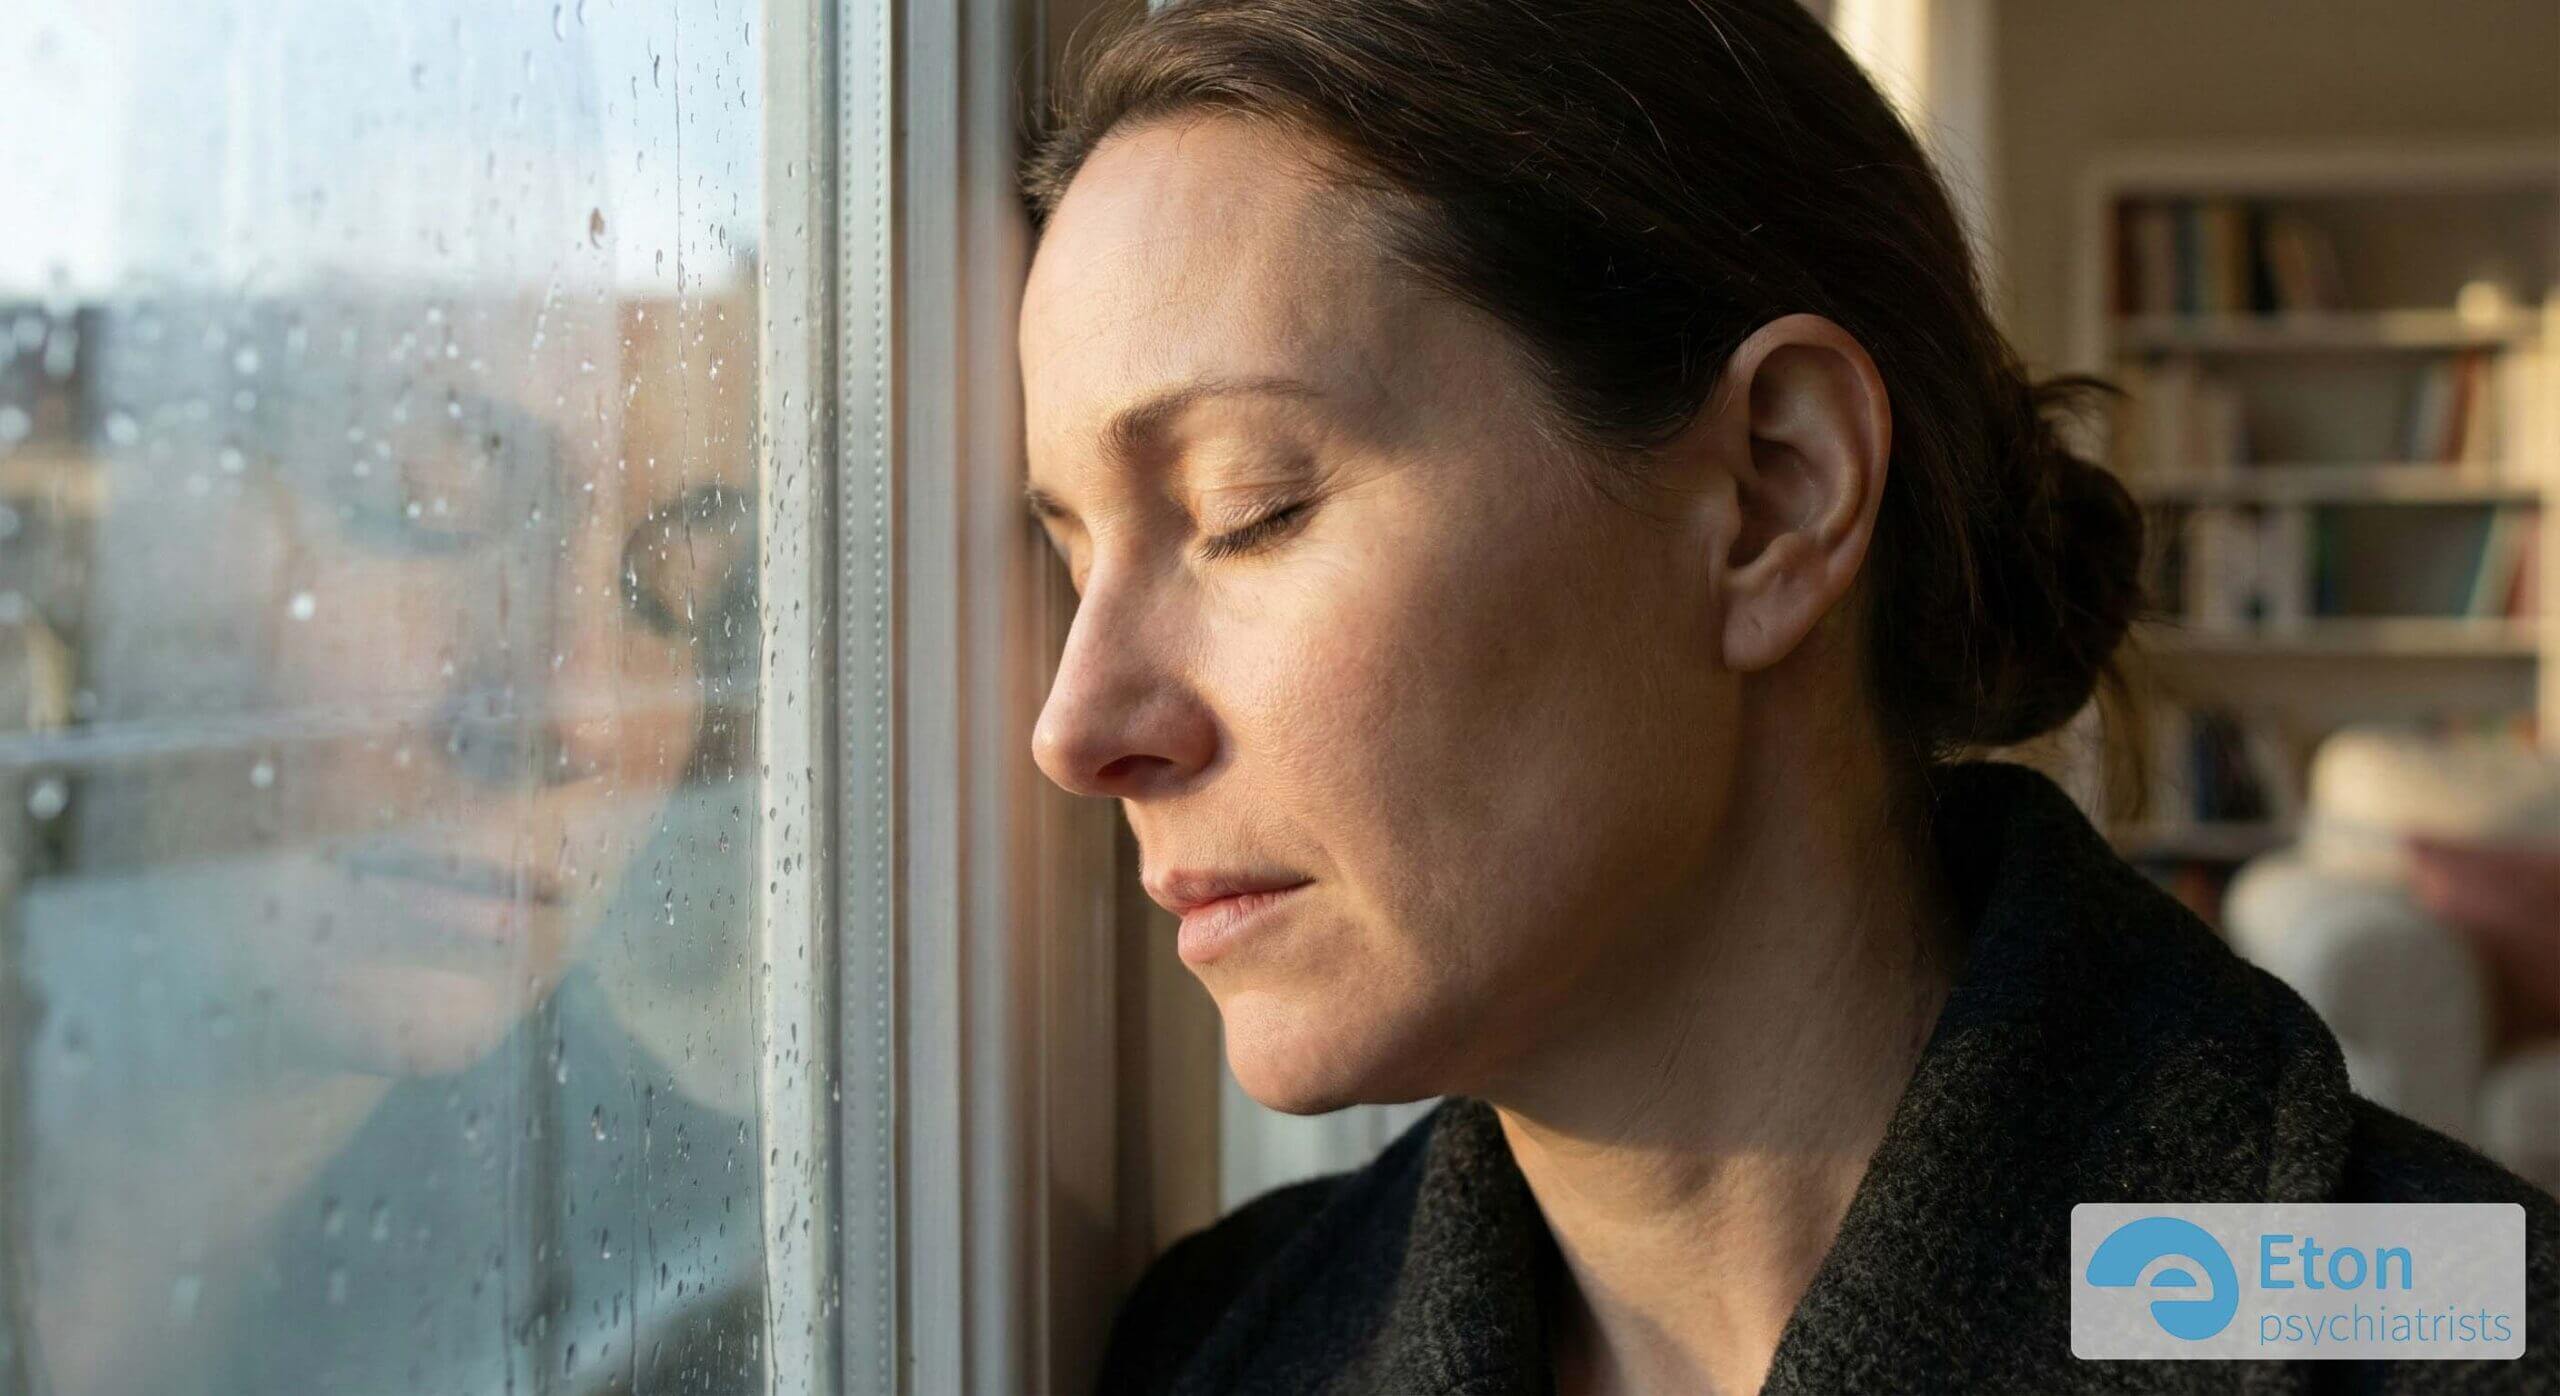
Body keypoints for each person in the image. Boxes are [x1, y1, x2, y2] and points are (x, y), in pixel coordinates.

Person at [1011, 1, 2560, 1392]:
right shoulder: (1207, 1351)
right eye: (1071, 561)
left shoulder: (2442, 1331)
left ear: (1771, 496)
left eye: (1248, 505)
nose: (1077, 729)